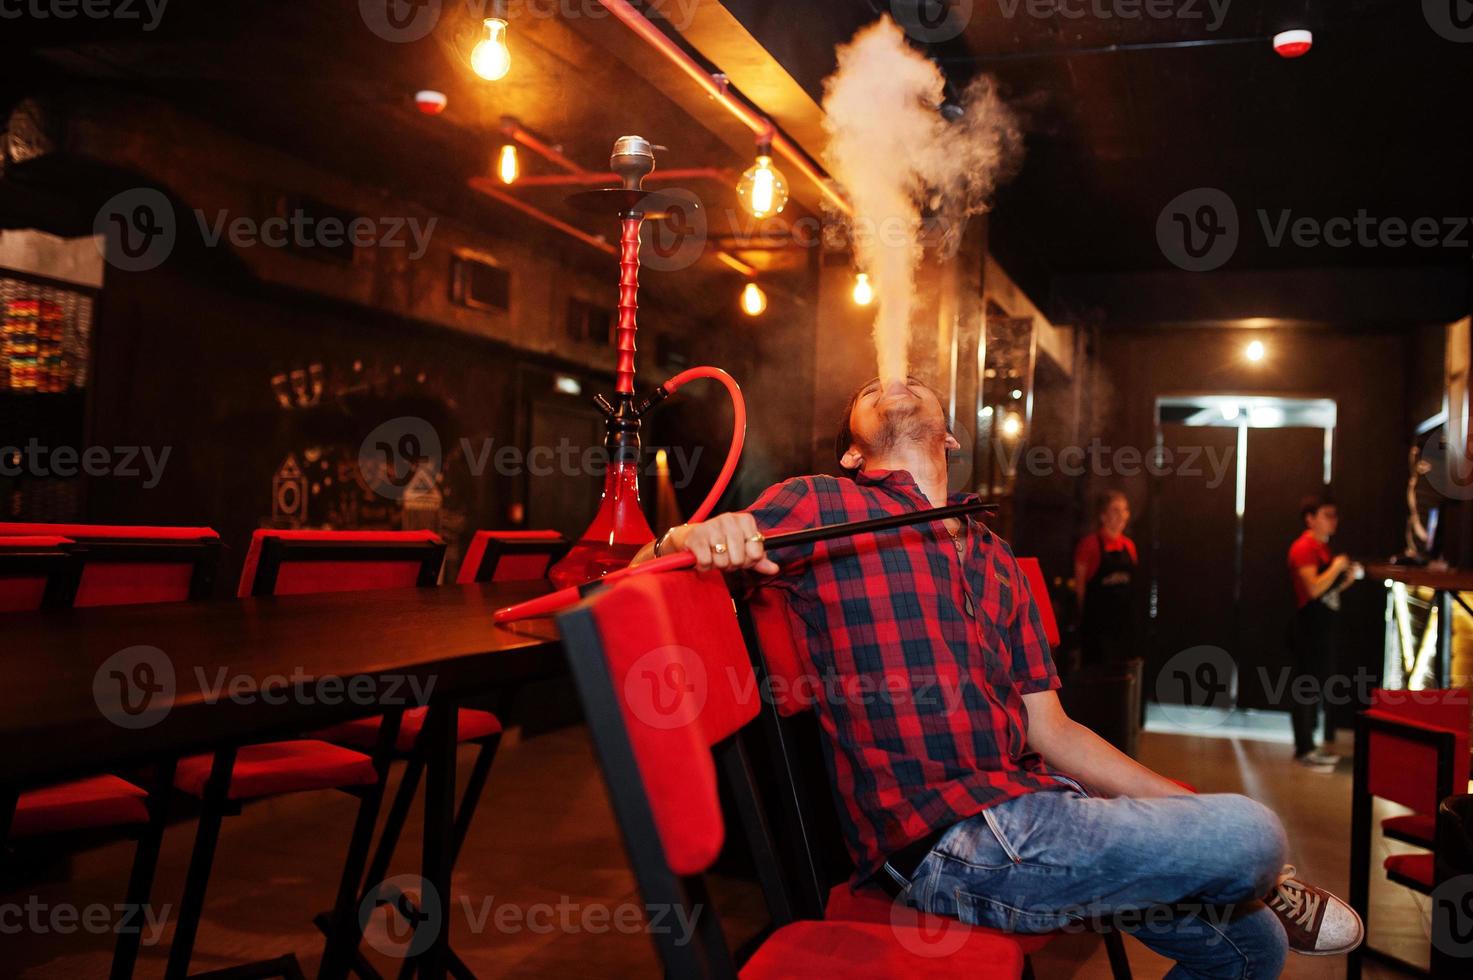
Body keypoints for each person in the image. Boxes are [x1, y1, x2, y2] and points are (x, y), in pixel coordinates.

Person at [634, 376, 1362, 977]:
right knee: (1254, 832)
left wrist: (1184, 810)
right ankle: (1260, 867)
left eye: (915, 383)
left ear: (950, 437)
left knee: (1252, 943)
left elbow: (1052, 730)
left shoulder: (990, 555)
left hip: (1038, 815)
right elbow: (639, 583)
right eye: (867, 387)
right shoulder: (823, 503)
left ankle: (1255, 870)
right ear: (853, 455)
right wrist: (685, 538)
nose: (897, 379)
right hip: (947, 846)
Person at [1286, 494, 1362, 772]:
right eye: (1327, 515)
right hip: (1308, 626)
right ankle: (1304, 746)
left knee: (1315, 684)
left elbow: (1327, 591)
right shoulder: (1303, 548)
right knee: (1305, 685)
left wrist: (1345, 580)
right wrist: (1337, 567)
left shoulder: (1322, 549)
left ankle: (1309, 744)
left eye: (1334, 515)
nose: (1333, 521)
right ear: (1310, 518)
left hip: (1323, 624)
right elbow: (1314, 589)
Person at [1074, 490, 1139, 665]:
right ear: (1103, 516)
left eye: (1124, 510)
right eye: (1115, 510)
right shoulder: (1089, 545)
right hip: (1097, 631)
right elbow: (1080, 589)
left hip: (1122, 629)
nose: (1121, 515)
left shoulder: (1129, 546)